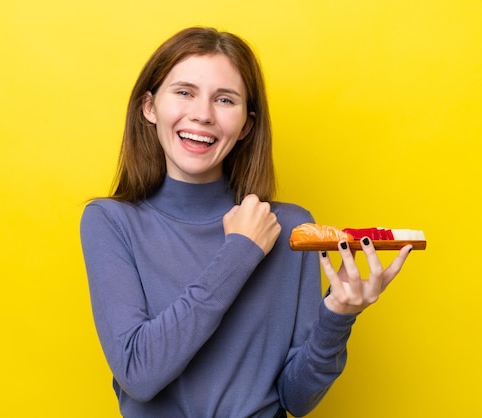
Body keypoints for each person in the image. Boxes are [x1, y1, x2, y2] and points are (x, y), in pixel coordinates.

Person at [79, 26, 412, 418]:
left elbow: (297, 399)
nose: (202, 114)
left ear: (247, 125)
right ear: (149, 107)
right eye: (184, 92)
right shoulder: (111, 222)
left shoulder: (290, 229)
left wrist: (337, 316)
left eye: (225, 99)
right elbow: (140, 373)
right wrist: (239, 251)